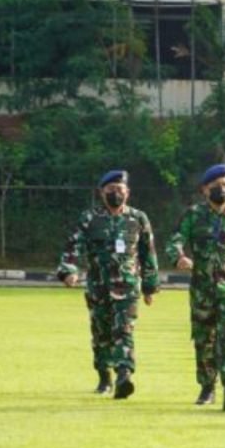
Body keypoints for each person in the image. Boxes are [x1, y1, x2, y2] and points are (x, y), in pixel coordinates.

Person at [166, 163, 225, 411]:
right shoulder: (193, 216)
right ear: (205, 190)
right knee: (203, 338)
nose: (222, 189)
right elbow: (175, 240)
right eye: (216, 186)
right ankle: (207, 387)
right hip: (202, 290)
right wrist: (179, 257)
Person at [57, 169, 160, 399]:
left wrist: (150, 286)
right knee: (101, 334)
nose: (116, 194)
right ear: (101, 193)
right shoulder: (90, 218)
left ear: (128, 192)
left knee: (124, 330)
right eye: (111, 190)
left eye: (120, 190)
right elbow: (74, 246)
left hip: (128, 287)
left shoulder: (138, 219)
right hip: (98, 287)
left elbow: (148, 252)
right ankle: (104, 377)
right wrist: (69, 271)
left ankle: (124, 375)